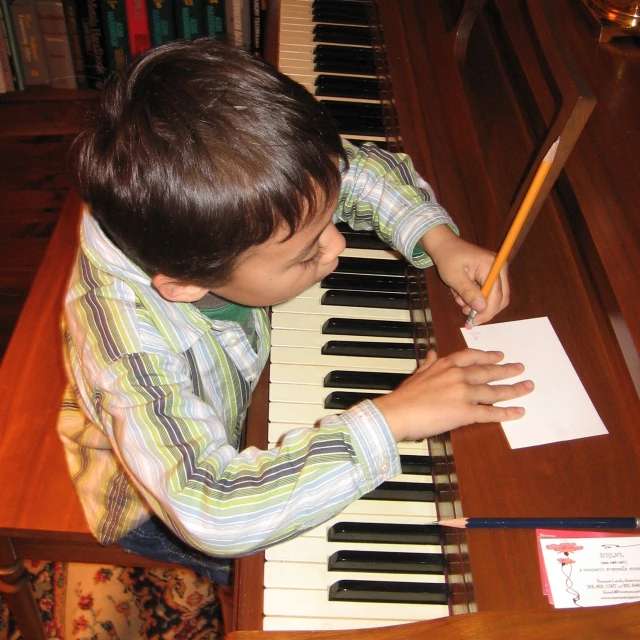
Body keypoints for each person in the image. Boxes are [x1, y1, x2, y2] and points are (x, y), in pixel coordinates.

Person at [58, 40, 533, 589]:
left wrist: (439, 238)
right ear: (185, 284)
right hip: (153, 505)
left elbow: (357, 171)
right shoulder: (125, 342)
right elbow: (214, 513)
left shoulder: (220, 208)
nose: (337, 247)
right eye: (306, 253)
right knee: (278, 567)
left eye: (328, 222)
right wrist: (394, 418)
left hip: (228, 405)